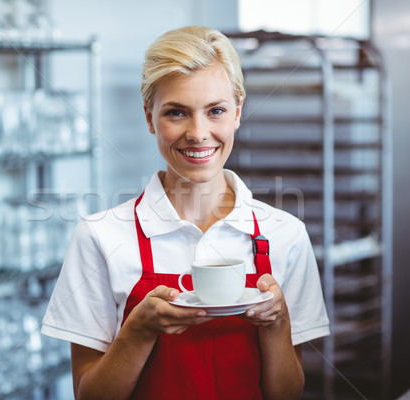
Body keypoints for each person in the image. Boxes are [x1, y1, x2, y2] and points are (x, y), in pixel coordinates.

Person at [41, 26, 329, 400]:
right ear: (149, 117)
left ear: (238, 112)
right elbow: (90, 396)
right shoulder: (99, 236)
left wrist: (277, 323)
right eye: (177, 112)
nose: (198, 133)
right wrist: (138, 330)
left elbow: (287, 395)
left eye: (216, 111)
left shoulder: (286, 235)